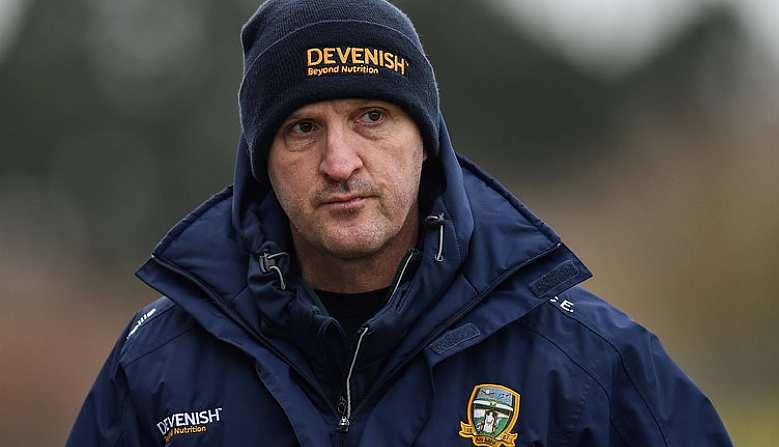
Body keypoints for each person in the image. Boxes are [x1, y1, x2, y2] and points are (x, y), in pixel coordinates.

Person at [66, 0, 733, 445]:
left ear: (427, 141)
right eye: (302, 128)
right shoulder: (154, 369)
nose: (339, 160)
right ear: (261, 164)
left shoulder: (587, 359)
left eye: (371, 117)